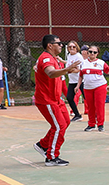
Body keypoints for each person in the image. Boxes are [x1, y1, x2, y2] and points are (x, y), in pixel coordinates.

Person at [33, 35, 77, 166]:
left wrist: (67, 71)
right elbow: (51, 73)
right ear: (50, 45)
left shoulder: (53, 58)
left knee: (65, 122)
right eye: (59, 43)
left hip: (56, 99)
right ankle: (51, 157)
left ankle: (43, 145)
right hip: (47, 100)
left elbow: (56, 73)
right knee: (59, 126)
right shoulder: (46, 58)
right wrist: (66, 69)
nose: (61, 45)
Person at [78, 46, 109, 132]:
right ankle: (91, 124)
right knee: (90, 106)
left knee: (99, 105)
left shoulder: (101, 62)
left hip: (99, 86)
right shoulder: (83, 63)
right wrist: (77, 86)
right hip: (87, 87)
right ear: (87, 52)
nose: (92, 54)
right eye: (90, 52)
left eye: (94, 52)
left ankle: (100, 124)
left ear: (97, 54)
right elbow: (81, 75)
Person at [63, 41, 84, 121]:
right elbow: (69, 65)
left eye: (73, 47)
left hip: (80, 80)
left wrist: (68, 71)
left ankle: (95, 115)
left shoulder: (78, 56)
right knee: (69, 97)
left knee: (87, 98)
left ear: (77, 48)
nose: (71, 48)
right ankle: (77, 115)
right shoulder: (69, 56)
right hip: (72, 81)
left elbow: (78, 70)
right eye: (69, 47)